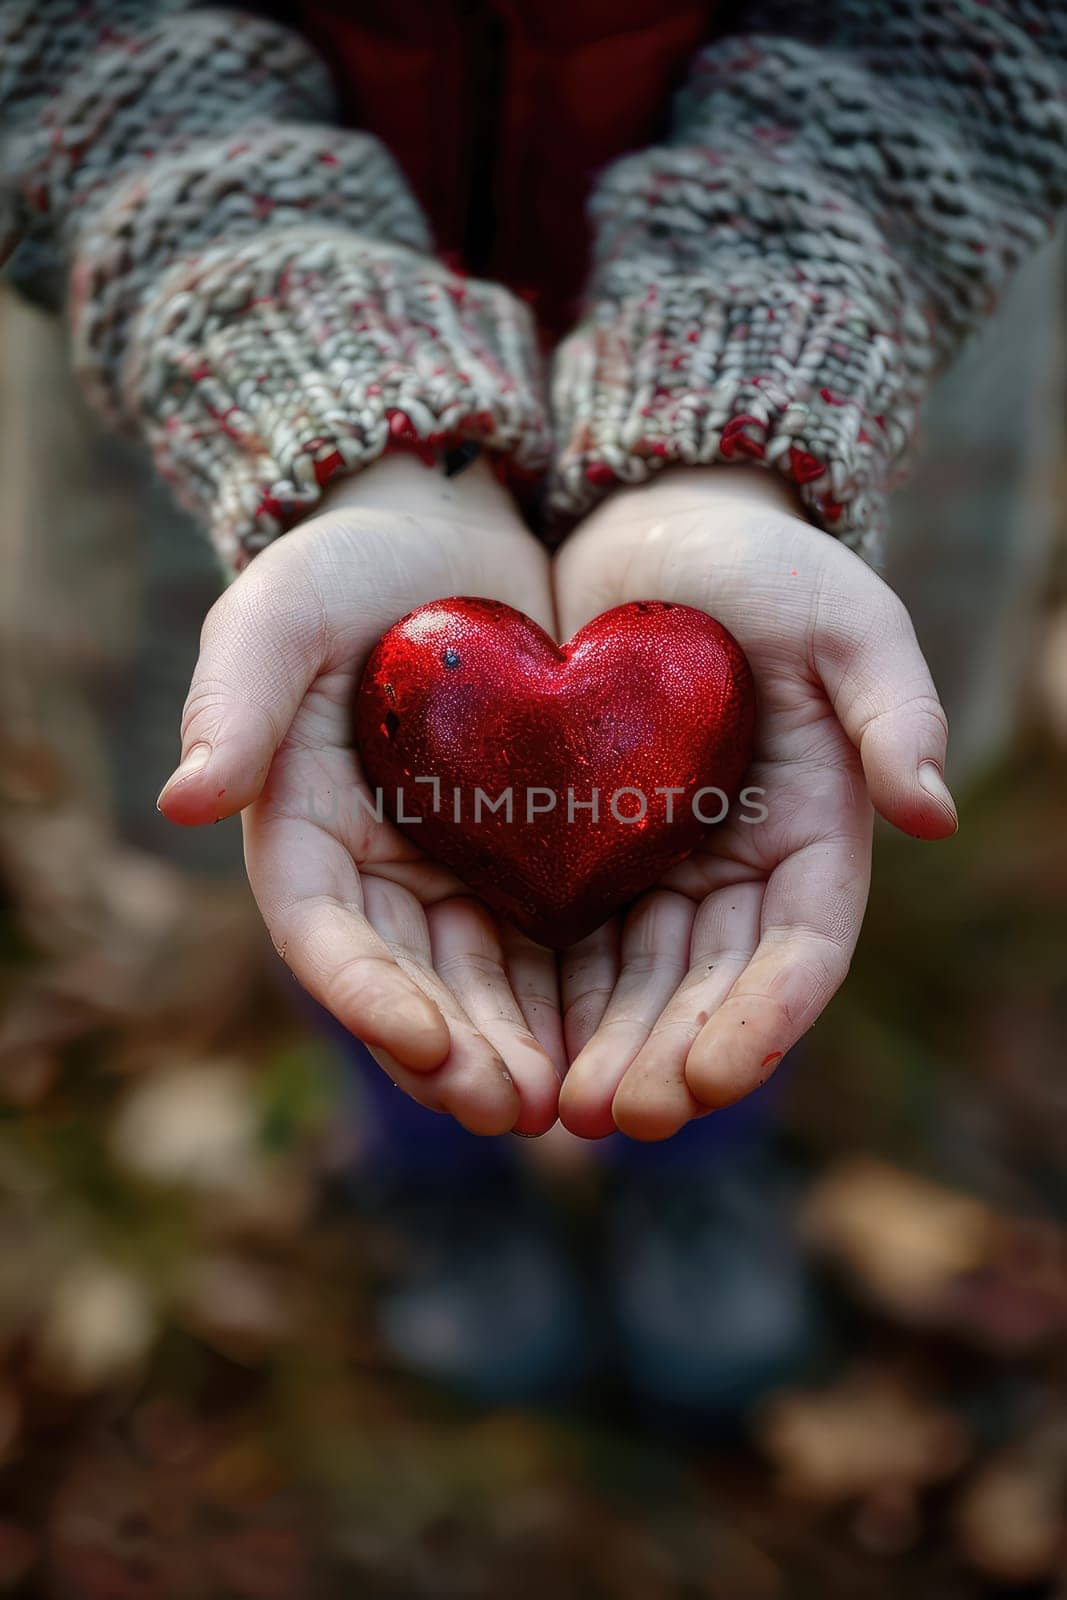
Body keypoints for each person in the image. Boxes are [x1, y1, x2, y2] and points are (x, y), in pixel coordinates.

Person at [3, 0, 1063, 1410]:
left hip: (835, 326)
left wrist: (735, 427)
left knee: (773, 799)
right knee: (324, 803)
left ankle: (696, 1160)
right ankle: (433, 1163)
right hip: (240, 362)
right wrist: (332, 418)